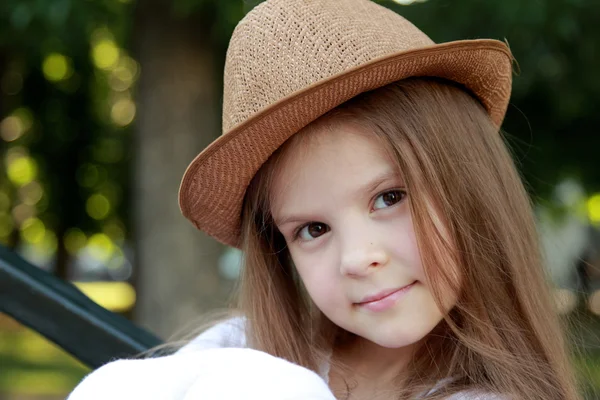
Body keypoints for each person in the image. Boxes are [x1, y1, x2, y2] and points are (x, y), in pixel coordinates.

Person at [69, 0, 581, 399]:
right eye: (312, 230)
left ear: (468, 184)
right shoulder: (238, 351)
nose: (359, 258)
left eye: (389, 197)